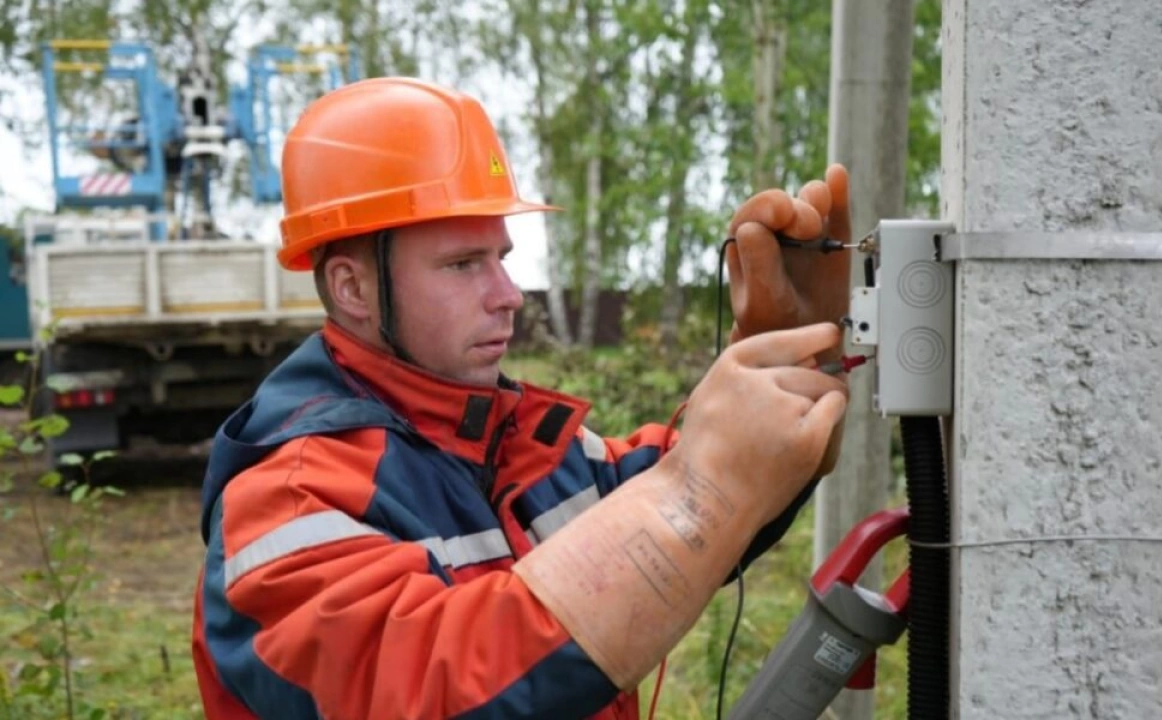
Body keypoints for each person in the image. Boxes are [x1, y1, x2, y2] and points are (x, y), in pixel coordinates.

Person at [191, 76, 852, 720]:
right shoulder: (290, 499)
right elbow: (433, 683)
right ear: (354, 290)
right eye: (462, 264)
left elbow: (678, 508)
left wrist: (788, 370)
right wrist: (707, 486)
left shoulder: (520, 446)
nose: (507, 294)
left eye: (501, 257)